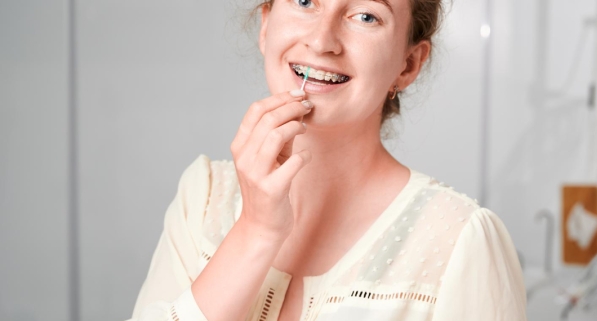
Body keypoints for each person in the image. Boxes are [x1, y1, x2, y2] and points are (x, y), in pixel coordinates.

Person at [128, 0, 526, 320]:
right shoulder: (203, 197)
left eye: (366, 15)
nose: (322, 41)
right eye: (304, 1)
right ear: (266, 25)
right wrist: (257, 230)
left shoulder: (460, 242)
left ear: (409, 65)